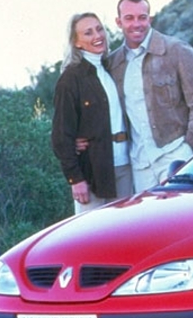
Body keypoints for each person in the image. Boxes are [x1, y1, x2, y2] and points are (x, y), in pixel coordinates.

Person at [108, 0, 193, 191]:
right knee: (148, 221)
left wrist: (189, 148)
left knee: (183, 218)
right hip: (139, 164)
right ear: (118, 22)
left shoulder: (176, 50)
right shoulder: (114, 63)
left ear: (150, 18)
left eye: (142, 17)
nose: (136, 24)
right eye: (129, 18)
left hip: (175, 155)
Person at [51, 13, 133, 213]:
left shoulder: (110, 69)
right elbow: (61, 135)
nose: (97, 35)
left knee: (126, 232)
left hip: (124, 165)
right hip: (92, 170)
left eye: (99, 29)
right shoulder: (70, 79)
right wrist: (75, 179)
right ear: (76, 42)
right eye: (88, 33)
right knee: (93, 234)